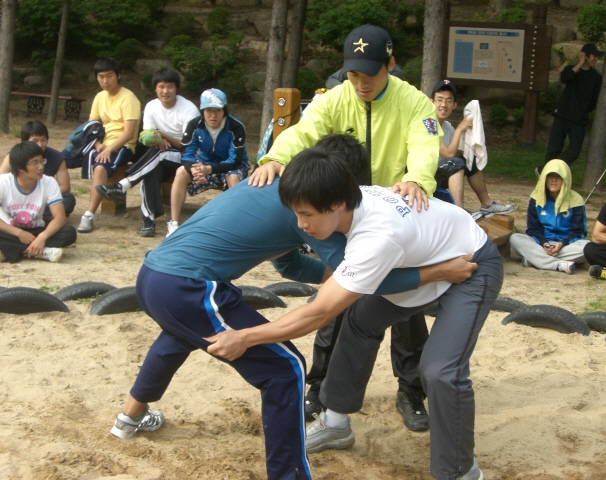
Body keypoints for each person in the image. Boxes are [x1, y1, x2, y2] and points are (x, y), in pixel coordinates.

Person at [109, 134, 466, 480]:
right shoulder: (312, 203)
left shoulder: (281, 190)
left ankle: (130, 417)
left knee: (178, 336)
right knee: (285, 369)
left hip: (153, 278)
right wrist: (437, 272)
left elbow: (290, 265)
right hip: (189, 285)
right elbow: (366, 281)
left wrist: (335, 275)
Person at [207, 147, 503, 480]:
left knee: (440, 370)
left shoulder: (376, 238)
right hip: (427, 259)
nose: (301, 225)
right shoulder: (345, 198)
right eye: (295, 214)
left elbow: (318, 313)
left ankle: (460, 472)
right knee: (359, 320)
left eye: (307, 215)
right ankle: (335, 423)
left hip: (471, 264)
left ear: (337, 204)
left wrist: (246, 337)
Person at [250, 24, 441, 431]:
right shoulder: (336, 98)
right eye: (353, 74)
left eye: (369, 74)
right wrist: (275, 158)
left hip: (394, 217)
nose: (361, 83)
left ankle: (411, 391)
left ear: (390, 64)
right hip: (345, 214)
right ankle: (319, 388)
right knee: (336, 298)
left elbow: (424, 146)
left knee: (405, 306)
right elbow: (303, 132)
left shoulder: (414, 102)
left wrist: (417, 179)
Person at [94, 68, 200, 237]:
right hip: (160, 157)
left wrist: (163, 135)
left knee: (157, 156)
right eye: (161, 87)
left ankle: (123, 185)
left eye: (170, 86)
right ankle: (148, 220)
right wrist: (156, 139)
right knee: (150, 168)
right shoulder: (151, 106)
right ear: (155, 89)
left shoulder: (189, 110)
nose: (165, 91)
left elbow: (187, 145)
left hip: (186, 158)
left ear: (177, 88)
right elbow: (147, 137)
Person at [166, 88, 250, 237]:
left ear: (224, 110)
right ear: (202, 111)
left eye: (217, 110)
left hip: (233, 166)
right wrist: (193, 169)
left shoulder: (236, 127)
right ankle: (174, 223)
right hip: (205, 163)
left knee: (233, 177)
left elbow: (235, 160)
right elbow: (186, 152)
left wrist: (208, 169)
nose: (213, 115)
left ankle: (236, 224)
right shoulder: (194, 125)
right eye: (208, 110)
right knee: (181, 171)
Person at [73, 57, 141, 234]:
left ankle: (88, 215)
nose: (105, 81)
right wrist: (96, 144)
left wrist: (109, 149)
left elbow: (129, 133)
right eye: (101, 76)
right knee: (63, 158)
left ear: (118, 76)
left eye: (109, 76)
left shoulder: (128, 98)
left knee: (100, 167)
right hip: (101, 143)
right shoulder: (99, 97)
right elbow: (91, 125)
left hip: (123, 146)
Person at [431, 79, 513, 216]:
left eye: (448, 101)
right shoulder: (428, 124)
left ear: (454, 105)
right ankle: (460, 213)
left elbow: (458, 151)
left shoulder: (447, 127)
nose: (443, 104)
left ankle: (486, 204)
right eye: (439, 100)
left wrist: (470, 134)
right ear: (431, 101)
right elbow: (449, 154)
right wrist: (460, 128)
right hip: (424, 176)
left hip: (439, 173)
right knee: (456, 162)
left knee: (469, 160)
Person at [0, 142, 76, 263]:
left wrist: (42, 237)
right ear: (20, 168)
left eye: (41, 161)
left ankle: (10, 250)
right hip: (10, 230)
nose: (41, 167)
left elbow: (60, 218)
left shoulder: (49, 182)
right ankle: (41, 252)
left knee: (69, 233)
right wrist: (19, 233)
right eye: (34, 163)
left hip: (36, 230)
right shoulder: (3, 182)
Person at [509, 159, 589, 274]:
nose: (554, 180)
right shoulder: (536, 198)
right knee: (515, 238)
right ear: (544, 178)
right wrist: (544, 243)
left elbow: (578, 232)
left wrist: (561, 244)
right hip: (541, 244)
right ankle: (558, 265)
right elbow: (533, 229)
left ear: (565, 179)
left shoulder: (576, 200)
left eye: (558, 176)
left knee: (587, 247)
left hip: (566, 246)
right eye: (550, 176)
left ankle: (535, 259)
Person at [538, 43, 603, 175]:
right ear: (585, 55)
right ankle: (547, 175)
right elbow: (565, 78)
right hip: (563, 114)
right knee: (554, 148)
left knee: (574, 150)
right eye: (594, 56)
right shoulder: (571, 70)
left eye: (597, 56)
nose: (596, 59)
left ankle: (547, 169)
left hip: (579, 119)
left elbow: (594, 100)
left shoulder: (596, 77)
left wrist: (585, 110)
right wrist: (580, 63)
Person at [0, 120, 76, 218]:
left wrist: (42, 194)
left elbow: (65, 187)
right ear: (25, 141)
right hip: (17, 198)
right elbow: (1, 179)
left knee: (68, 200)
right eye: (35, 141)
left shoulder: (57, 157)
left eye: (43, 140)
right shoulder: (14, 157)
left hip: (43, 198)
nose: (40, 144)